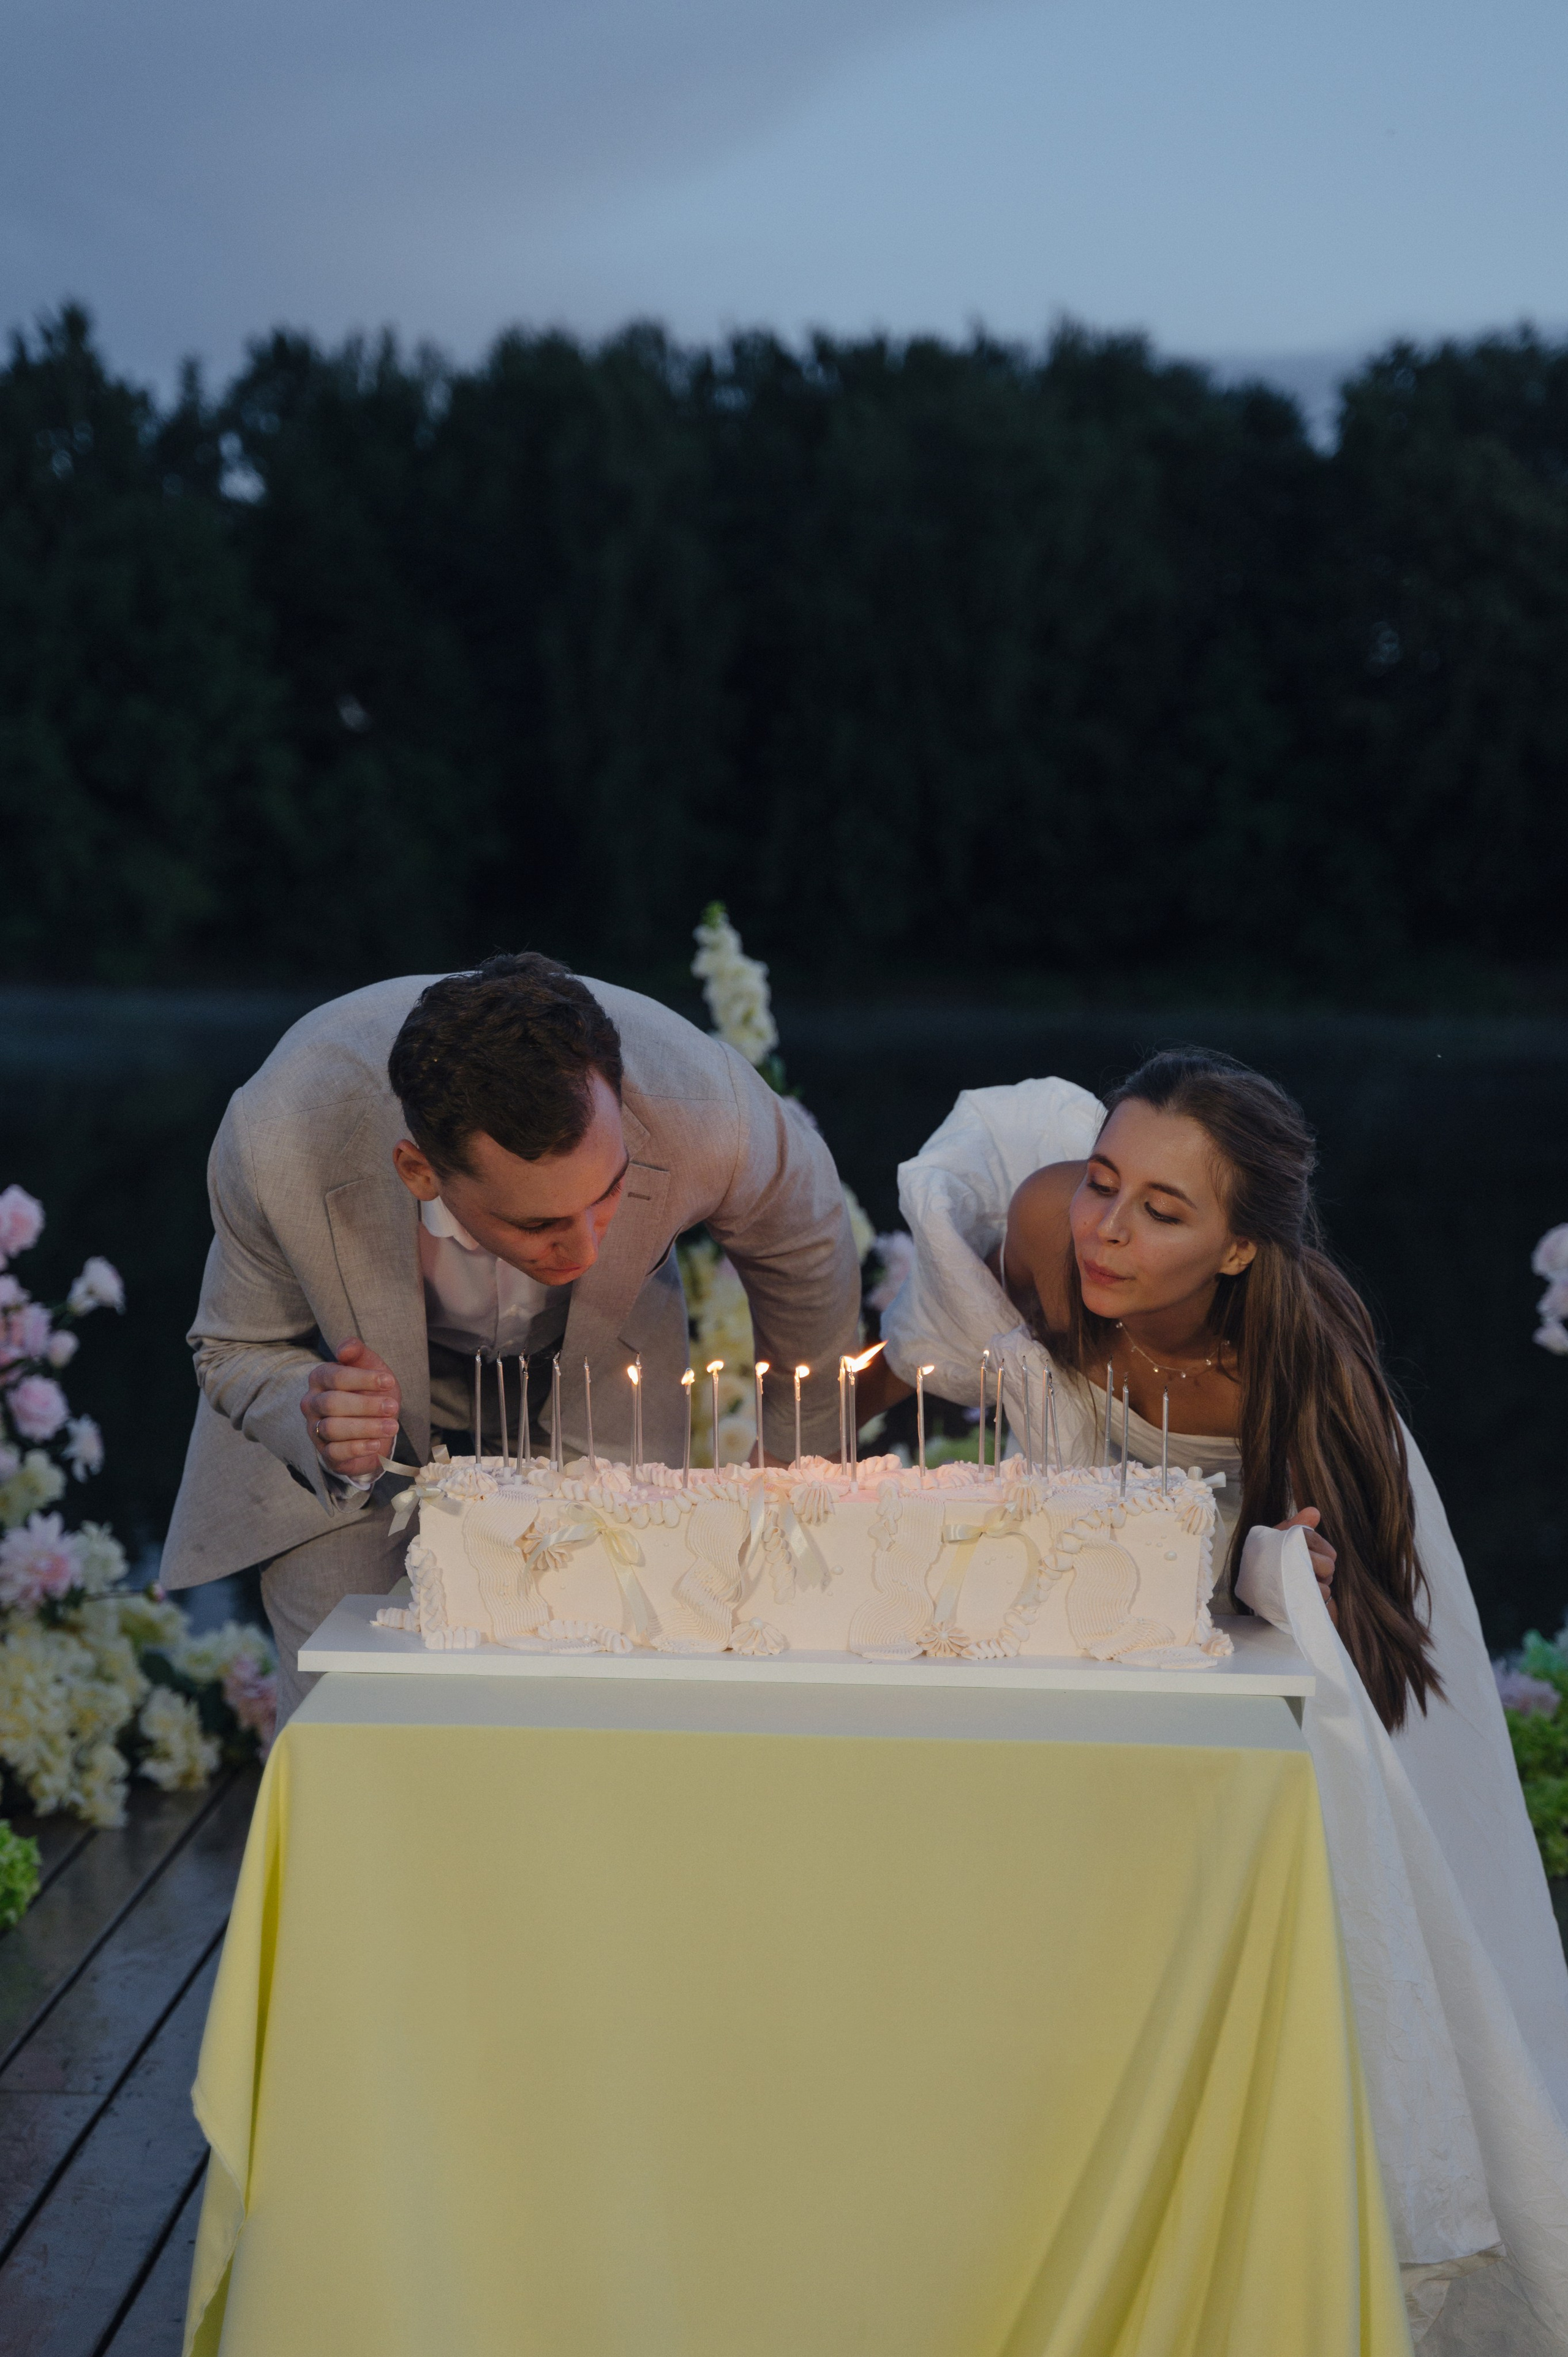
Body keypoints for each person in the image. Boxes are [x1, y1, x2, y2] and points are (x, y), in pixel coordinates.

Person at [874, 1051, 1568, 2352]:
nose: (1107, 1229)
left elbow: (1346, 1629)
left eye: (1162, 1210)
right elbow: (962, 1368)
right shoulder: (1042, 1234)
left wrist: (1273, 1570)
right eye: (1101, 1181)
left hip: (1272, 1666)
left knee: (1384, 1900)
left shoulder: (1297, 1381)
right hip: (1088, 1646)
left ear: (1239, 1249)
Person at [160, 953, 861, 1721]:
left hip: (595, 1400)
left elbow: (806, 1244)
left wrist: (800, 1467)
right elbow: (234, 1346)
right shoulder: (279, 1131)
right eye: (538, 1223)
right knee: (348, 1718)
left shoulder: (705, 1105)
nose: (588, 1248)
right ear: (419, 1170)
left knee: (599, 1708)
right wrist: (312, 1406)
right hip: (351, 1446)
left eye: (609, 1194)